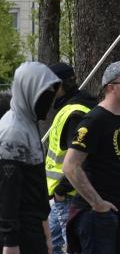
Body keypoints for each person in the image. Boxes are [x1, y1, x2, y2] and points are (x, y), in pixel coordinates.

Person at [63, 60, 120, 254]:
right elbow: (70, 166)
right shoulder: (94, 120)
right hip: (97, 217)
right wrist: (97, 203)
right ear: (111, 87)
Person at [0, 62, 61, 254]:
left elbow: (38, 189)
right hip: (20, 234)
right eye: (44, 93)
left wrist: (47, 236)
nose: (49, 100)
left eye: (52, 92)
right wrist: (10, 242)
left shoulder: (28, 123)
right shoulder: (13, 131)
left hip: (34, 228)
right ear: (28, 90)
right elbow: (8, 192)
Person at [45, 62, 98, 254]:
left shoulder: (74, 113)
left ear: (59, 86)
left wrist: (61, 189)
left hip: (69, 195)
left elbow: (80, 158)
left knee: (74, 247)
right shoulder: (74, 107)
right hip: (61, 195)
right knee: (47, 243)